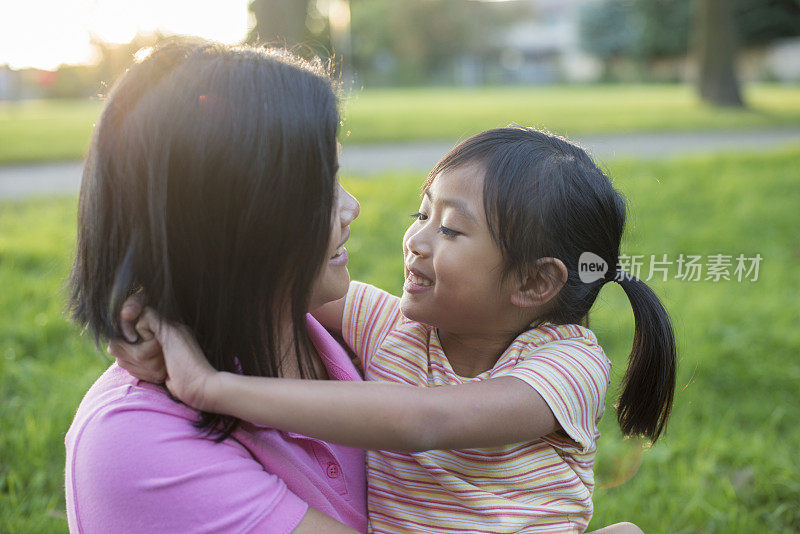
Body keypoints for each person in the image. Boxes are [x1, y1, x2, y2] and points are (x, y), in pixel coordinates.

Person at [116, 127, 674, 533]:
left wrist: (214, 389)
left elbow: (423, 420)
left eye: (452, 229)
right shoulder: (395, 328)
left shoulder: (566, 367)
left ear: (533, 282)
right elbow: (266, 286)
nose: (418, 241)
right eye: (421, 214)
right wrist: (157, 308)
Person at [65, 38, 367, 533]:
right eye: (322, 187)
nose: (352, 207)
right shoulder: (135, 442)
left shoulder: (339, 329)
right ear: (238, 219)